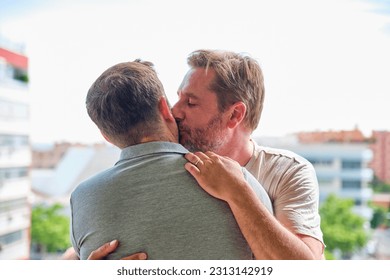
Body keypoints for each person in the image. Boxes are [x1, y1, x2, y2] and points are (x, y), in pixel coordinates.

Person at [69, 59, 273, 260]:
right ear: (165, 109)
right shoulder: (238, 184)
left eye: (191, 102)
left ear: (106, 136)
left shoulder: (82, 199)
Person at [171, 49, 325, 259]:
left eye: (190, 103)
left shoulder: (287, 172)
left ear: (234, 115)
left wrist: (237, 191)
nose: (174, 111)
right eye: (178, 98)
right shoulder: (168, 169)